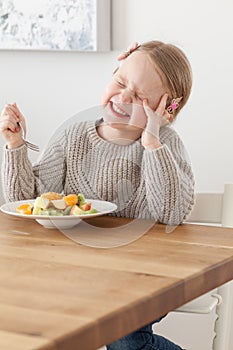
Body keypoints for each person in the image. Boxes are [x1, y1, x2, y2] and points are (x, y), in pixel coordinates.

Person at [0, 40, 194, 349]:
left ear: (166, 109)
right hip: (80, 272)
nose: (124, 98)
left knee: (126, 340)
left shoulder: (164, 144)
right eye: (120, 82)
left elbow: (171, 212)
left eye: (142, 97)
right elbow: (28, 201)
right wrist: (15, 146)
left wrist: (153, 140)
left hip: (143, 276)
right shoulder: (73, 135)